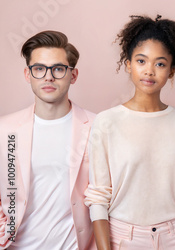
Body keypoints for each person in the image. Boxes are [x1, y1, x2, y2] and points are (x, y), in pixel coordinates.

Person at [84, 15, 175, 250]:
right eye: (141, 61)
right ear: (128, 64)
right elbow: (98, 197)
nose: (149, 71)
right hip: (124, 237)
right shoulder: (107, 122)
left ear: (172, 70)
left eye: (160, 63)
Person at [0, 30, 96, 249]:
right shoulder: (4, 131)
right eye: (39, 69)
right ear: (28, 74)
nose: (48, 76)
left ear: (73, 75)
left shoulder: (97, 127)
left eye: (58, 69)